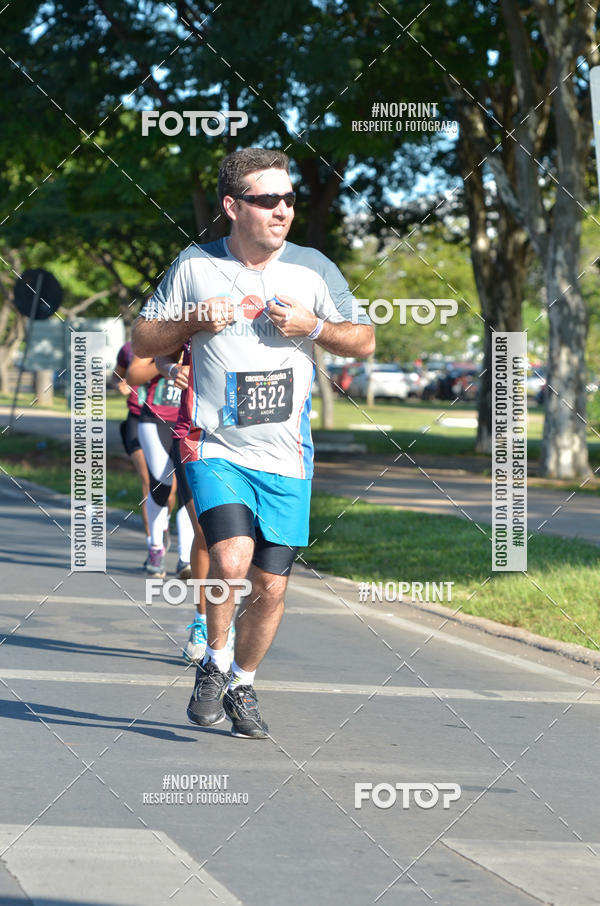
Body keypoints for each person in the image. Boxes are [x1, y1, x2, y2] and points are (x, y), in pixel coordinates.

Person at [132, 147, 374, 738]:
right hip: (215, 445)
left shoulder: (314, 268)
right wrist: (192, 321)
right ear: (232, 207)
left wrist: (311, 327)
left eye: (288, 198)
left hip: (287, 453)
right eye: (267, 200)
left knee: (271, 585)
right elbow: (142, 336)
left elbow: (363, 339)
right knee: (232, 558)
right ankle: (212, 662)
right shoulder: (194, 265)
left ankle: (240, 681)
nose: (282, 209)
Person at [125, 354, 194, 579]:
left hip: (193, 423)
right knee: (161, 486)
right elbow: (132, 375)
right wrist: (167, 366)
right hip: (156, 420)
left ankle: (186, 558)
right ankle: (156, 547)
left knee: (189, 491)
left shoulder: (209, 330)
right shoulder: (161, 334)